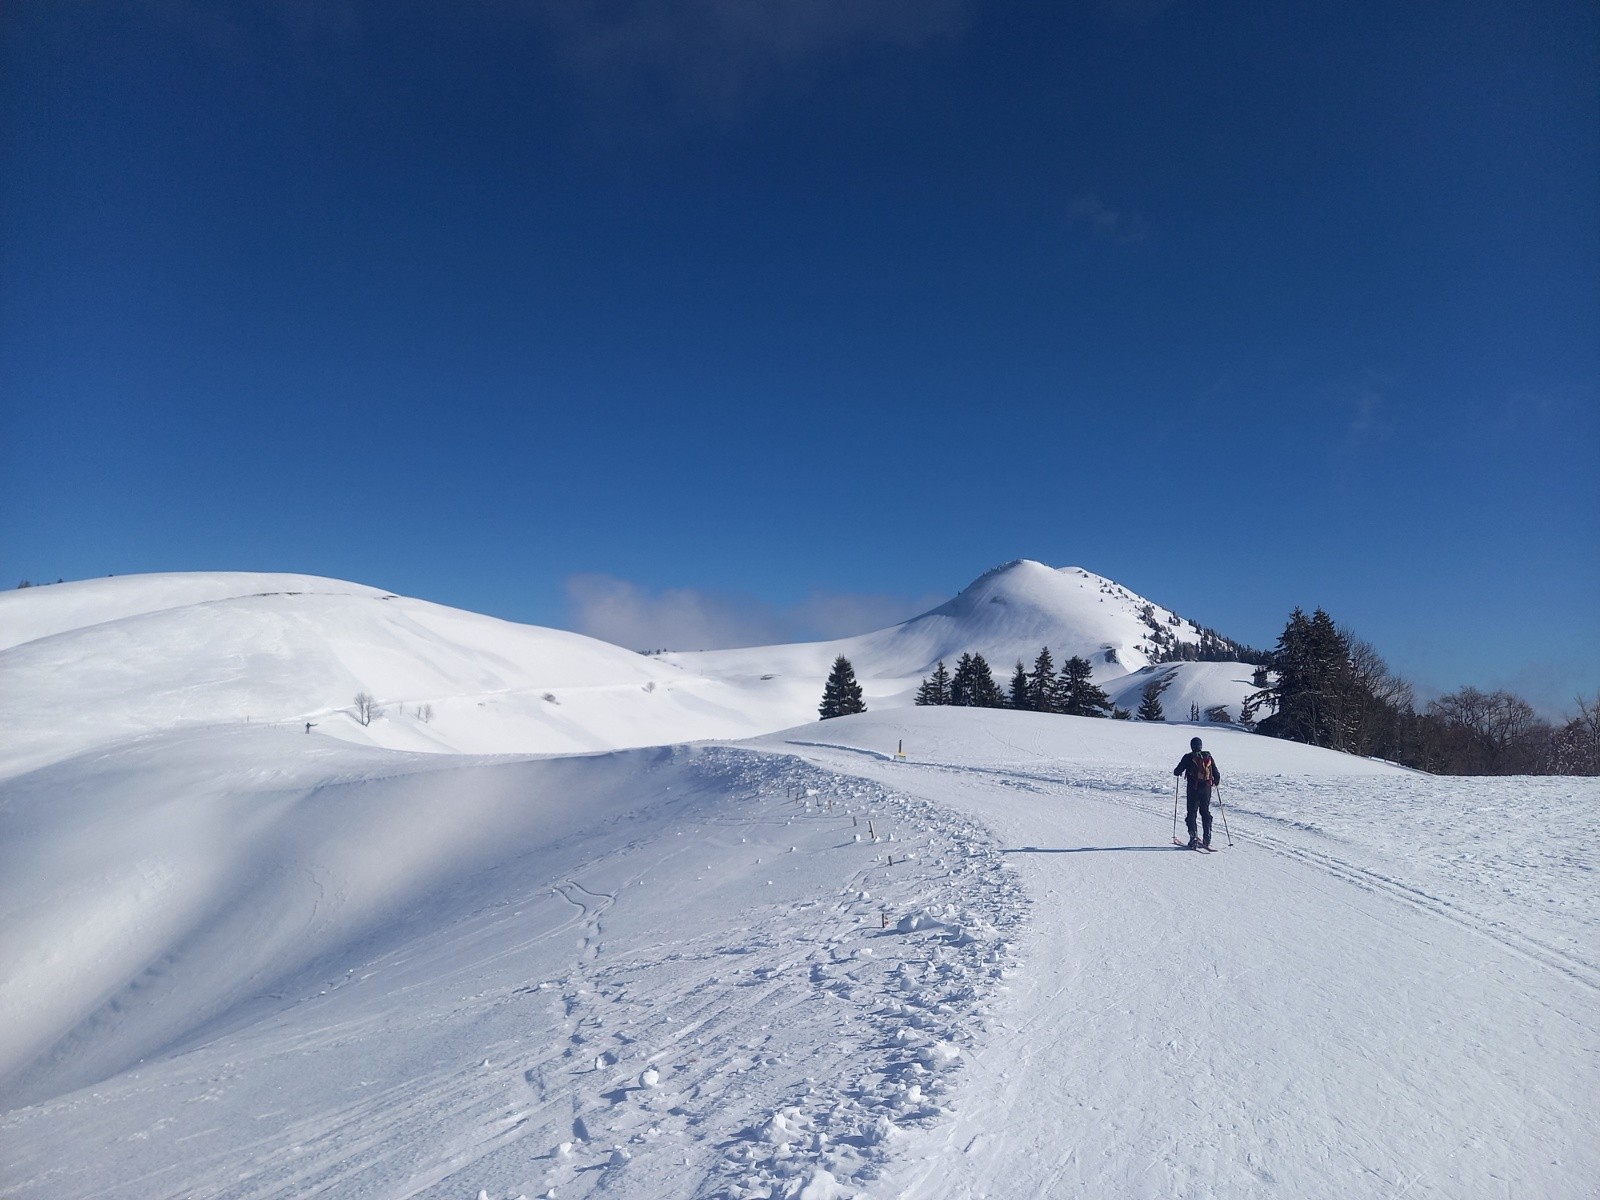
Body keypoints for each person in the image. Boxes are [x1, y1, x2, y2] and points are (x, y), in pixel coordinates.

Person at [1173, 736, 1221, 849]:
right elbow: (1217, 775)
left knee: (1192, 813)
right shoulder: (1208, 757)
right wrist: (1215, 782)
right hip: (1206, 789)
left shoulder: (1188, 757)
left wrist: (1178, 772)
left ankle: (1193, 838)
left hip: (1193, 789)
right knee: (1205, 812)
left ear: (1192, 746)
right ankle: (1207, 837)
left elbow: (1177, 771)